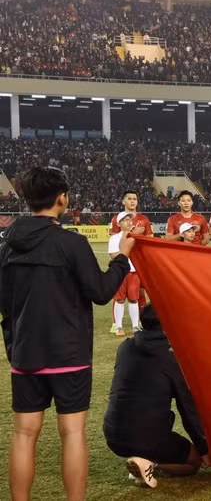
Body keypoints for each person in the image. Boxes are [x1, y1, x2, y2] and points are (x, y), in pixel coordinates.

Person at [1, 167, 132, 501]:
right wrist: (121, 261)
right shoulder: (71, 242)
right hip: (68, 356)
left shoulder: (8, 246)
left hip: (26, 355)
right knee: (72, 433)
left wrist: (15, 347)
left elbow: (5, 304)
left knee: (23, 435)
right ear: (62, 199)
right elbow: (101, 291)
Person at [103, 305, 209, 489]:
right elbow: (187, 408)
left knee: (146, 431)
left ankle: (142, 460)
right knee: (194, 463)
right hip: (149, 435)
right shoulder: (172, 357)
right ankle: (149, 465)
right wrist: (204, 447)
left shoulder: (125, 347)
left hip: (113, 433)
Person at [109, 212, 141, 336]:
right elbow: (113, 256)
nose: (128, 222)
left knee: (134, 300)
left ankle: (135, 326)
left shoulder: (136, 237)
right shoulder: (114, 238)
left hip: (133, 273)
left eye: (130, 219)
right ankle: (118, 326)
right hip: (120, 273)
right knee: (119, 300)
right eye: (125, 220)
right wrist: (126, 250)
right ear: (119, 223)